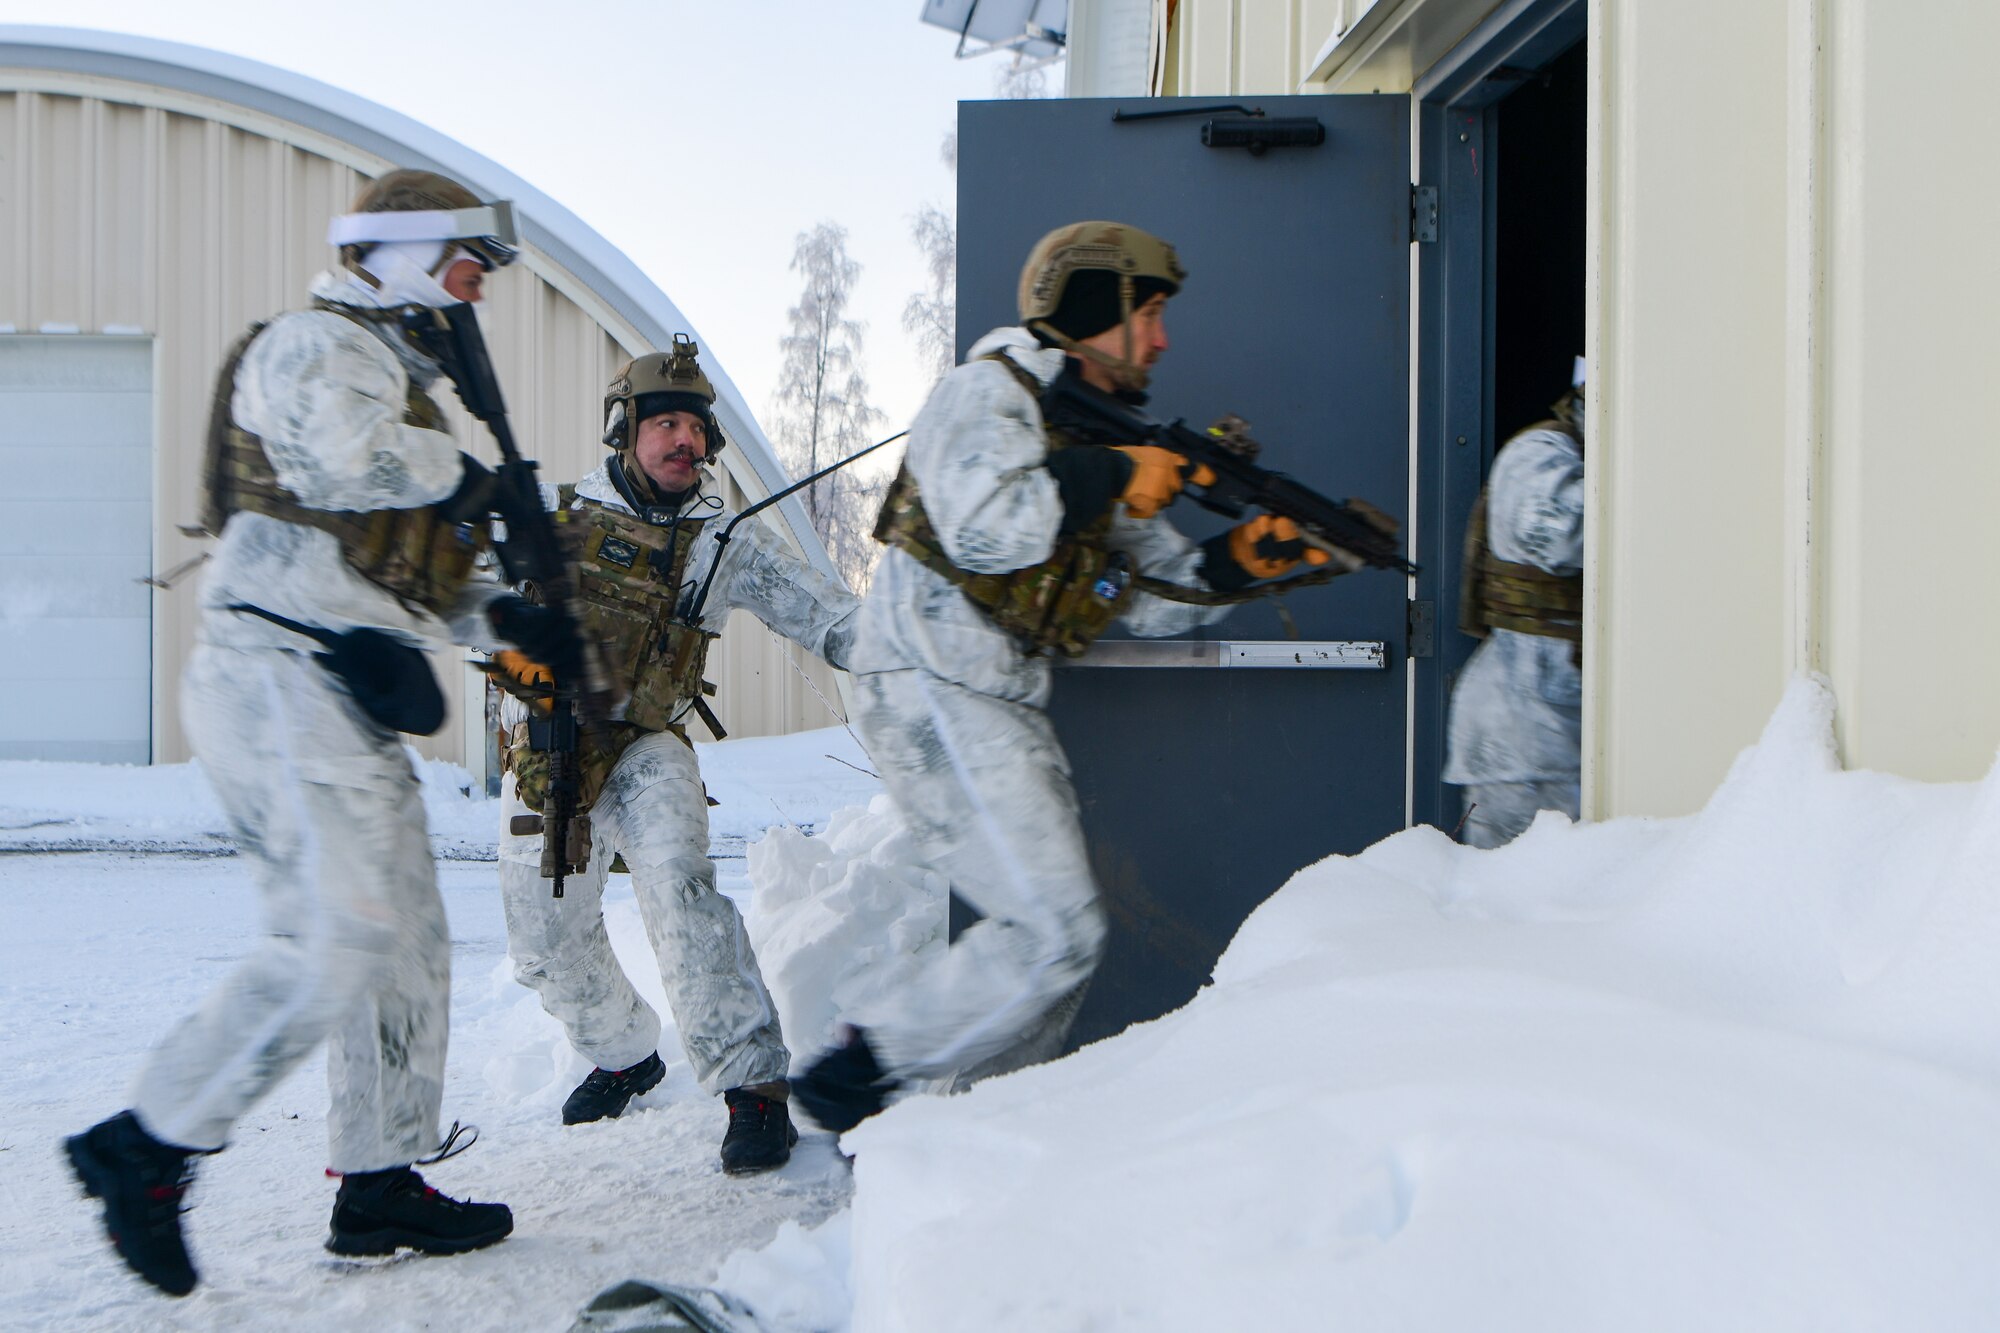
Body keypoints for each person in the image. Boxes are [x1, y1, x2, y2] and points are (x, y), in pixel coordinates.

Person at [64, 169, 571, 1296]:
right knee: (334, 934)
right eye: (466, 265)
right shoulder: (315, 345)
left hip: (340, 686)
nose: (475, 291)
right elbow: (338, 463)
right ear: (403, 250)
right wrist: (476, 477)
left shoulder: (405, 393)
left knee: (402, 946)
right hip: (273, 669)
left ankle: (378, 1178)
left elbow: (418, 583)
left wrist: (515, 625)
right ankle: (146, 1142)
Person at [791, 220, 1344, 1132]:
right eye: (1151, 313)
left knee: (1056, 952)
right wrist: (1117, 474)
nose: (1164, 339)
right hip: (928, 687)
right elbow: (984, 527)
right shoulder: (985, 394)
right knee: (1052, 932)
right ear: (1096, 308)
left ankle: (976, 1134)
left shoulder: (1100, 437)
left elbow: (1158, 598)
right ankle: (862, 1067)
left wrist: (1247, 557)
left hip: (1001, 704)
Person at [494, 337, 859, 1174]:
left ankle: (753, 1089)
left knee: (681, 890)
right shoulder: (551, 521)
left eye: (694, 427)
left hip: (647, 747)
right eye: (662, 423)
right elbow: (451, 594)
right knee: (544, 942)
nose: (681, 441)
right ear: (625, 430)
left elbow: (823, 613)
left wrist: (912, 641)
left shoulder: (721, 540)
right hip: (551, 756)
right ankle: (625, 1052)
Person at [1443, 364, 1586, 848]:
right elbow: (1560, 535)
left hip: (1551, 725)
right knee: (1508, 899)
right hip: (1521, 735)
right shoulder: (1540, 453)